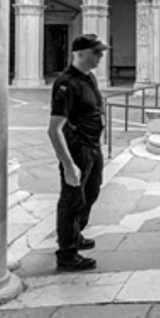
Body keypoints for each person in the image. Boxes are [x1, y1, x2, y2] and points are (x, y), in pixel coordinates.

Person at [48, 33, 109, 271]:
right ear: (80, 54)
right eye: (97, 53)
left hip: (93, 147)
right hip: (78, 149)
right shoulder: (66, 83)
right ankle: (66, 253)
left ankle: (75, 234)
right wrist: (68, 164)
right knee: (72, 199)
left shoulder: (89, 77)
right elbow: (54, 129)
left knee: (91, 191)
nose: (101, 56)